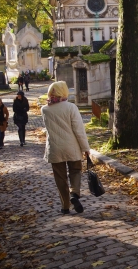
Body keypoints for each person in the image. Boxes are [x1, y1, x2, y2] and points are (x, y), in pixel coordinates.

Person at [41, 81, 91, 215]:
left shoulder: (45, 109)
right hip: (72, 147)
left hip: (55, 148)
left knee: (60, 178)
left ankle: (65, 206)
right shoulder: (71, 107)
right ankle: (74, 193)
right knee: (75, 171)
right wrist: (85, 148)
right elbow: (79, 130)